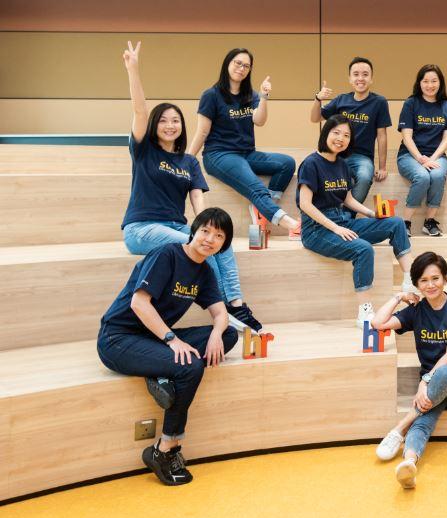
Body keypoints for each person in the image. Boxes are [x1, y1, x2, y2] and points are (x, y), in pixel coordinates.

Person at [119, 41, 263, 333]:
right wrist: (133, 70)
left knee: (218, 241)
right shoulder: (144, 152)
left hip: (176, 226)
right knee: (202, 244)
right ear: (154, 125)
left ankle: (236, 304)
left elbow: (198, 202)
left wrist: (209, 229)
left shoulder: (189, 162)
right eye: (163, 121)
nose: (170, 125)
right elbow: (140, 111)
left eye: (175, 121)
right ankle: (222, 308)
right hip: (142, 228)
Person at [96, 207, 240, 486]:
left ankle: (161, 372)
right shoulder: (167, 255)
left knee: (227, 337)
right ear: (194, 232)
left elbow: (221, 313)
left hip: (153, 338)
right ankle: (165, 448)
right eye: (205, 231)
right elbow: (139, 303)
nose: (210, 239)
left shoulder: (204, 271)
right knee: (190, 366)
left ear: (224, 244)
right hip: (119, 339)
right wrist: (172, 340)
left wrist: (215, 333)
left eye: (219, 236)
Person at [371, 252, 447, 489]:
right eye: (423, 280)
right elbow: (378, 323)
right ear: (416, 284)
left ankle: (399, 428)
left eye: (435, 278)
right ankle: (409, 464)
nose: (430, 285)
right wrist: (399, 297)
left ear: (445, 279)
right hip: (434, 388)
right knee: (423, 418)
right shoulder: (417, 310)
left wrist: (424, 381)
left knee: (443, 373)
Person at [297, 115, 417, 327]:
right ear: (325, 133)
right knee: (363, 249)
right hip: (317, 230)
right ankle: (364, 312)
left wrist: (372, 214)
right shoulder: (311, 163)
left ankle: (409, 280)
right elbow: (305, 205)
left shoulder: (342, 165)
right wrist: (336, 228)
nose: (340, 138)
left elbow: (348, 199)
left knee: (396, 223)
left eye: (346, 135)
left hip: (341, 221)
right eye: (336, 133)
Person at [187, 48, 299, 238]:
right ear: (227, 63)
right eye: (238, 63)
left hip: (247, 153)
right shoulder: (211, 95)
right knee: (257, 188)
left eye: (246, 66)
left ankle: (263, 209)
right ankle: (292, 225)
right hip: (219, 154)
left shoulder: (251, 95)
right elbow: (203, 131)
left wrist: (263, 97)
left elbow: (259, 121)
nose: (241, 68)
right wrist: (188, 160)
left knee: (287, 163)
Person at [311, 57, 392, 205]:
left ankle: (347, 215)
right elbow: (315, 118)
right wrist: (318, 99)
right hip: (337, 154)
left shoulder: (379, 102)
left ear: (371, 79)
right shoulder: (341, 100)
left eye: (365, 74)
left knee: (365, 177)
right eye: (356, 74)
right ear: (349, 78)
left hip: (362, 157)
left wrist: (382, 167)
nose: (360, 78)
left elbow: (382, 136)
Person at [396, 64, 447, 237]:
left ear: (440, 82)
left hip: (437, 155)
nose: (430, 85)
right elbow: (407, 137)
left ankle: (429, 222)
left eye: (434, 81)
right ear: (419, 83)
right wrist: (421, 159)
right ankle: (405, 223)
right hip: (409, 155)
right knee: (422, 176)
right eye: (426, 81)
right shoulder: (411, 103)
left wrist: (432, 158)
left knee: (437, 175)